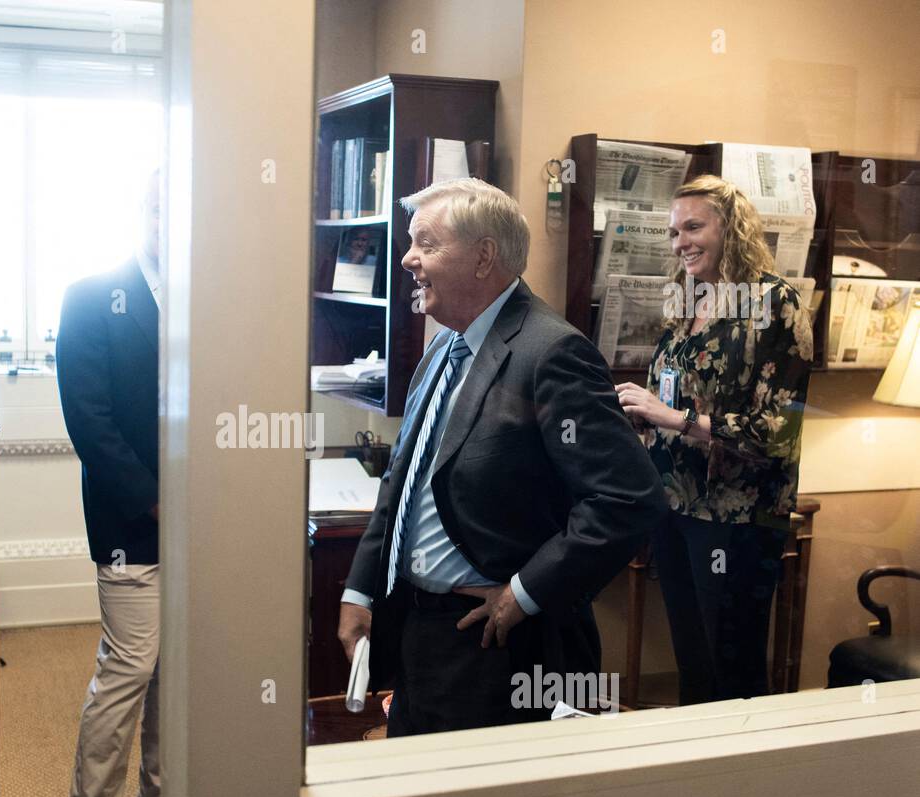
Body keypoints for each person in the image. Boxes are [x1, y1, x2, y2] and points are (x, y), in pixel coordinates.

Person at [338, 178, 667, 736]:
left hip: (500, 647)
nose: (408, 258)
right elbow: (403, 479)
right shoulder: (443, 345)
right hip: (421, 636)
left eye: (426, 243)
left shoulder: (551, 352)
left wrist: (523, 594)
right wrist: (360, 589)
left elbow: (627, 498)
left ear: (484, 256)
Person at [616, 175, 813, 705]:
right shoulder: (686, 304)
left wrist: (674, 418)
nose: (681, 242)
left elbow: (777, 432)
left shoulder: (777, 303)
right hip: (674, 508)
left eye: (694, 227)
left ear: (732, 228)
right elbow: (675, 402)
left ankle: (744, 784)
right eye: (674, 232)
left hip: (739, 519)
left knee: (734, 668)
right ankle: (695, 781)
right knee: (693, 664)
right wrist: (643, 415)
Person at [53, 171, 162, 797]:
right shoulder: (92, 297)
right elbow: (90, 425)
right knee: (130, 669)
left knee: (181, 674)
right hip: (132, 526)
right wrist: (156, 501)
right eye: (159, 203)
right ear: (143, 211)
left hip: (208, 525)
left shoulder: (212, 296)